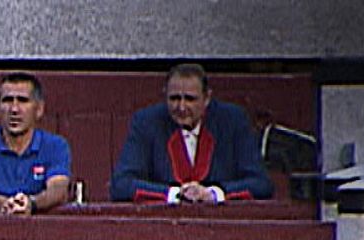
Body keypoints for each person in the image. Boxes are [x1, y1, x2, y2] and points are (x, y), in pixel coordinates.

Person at [110, 63, 273, 204]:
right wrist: (174, 194)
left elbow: (261, 183)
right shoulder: (146, 122)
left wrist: (213, 194)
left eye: (190, 99)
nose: (181, 107)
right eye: (174, 98)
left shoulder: (233, 121)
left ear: (207, 98)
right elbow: (121, 184)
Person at [0, 73, 73, 216]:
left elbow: (58, 189)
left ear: (39, 109)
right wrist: (3, 203)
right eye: (7, 100)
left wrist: (31, 204)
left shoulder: (56, 146)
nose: (14, 109)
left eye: (23, 100)